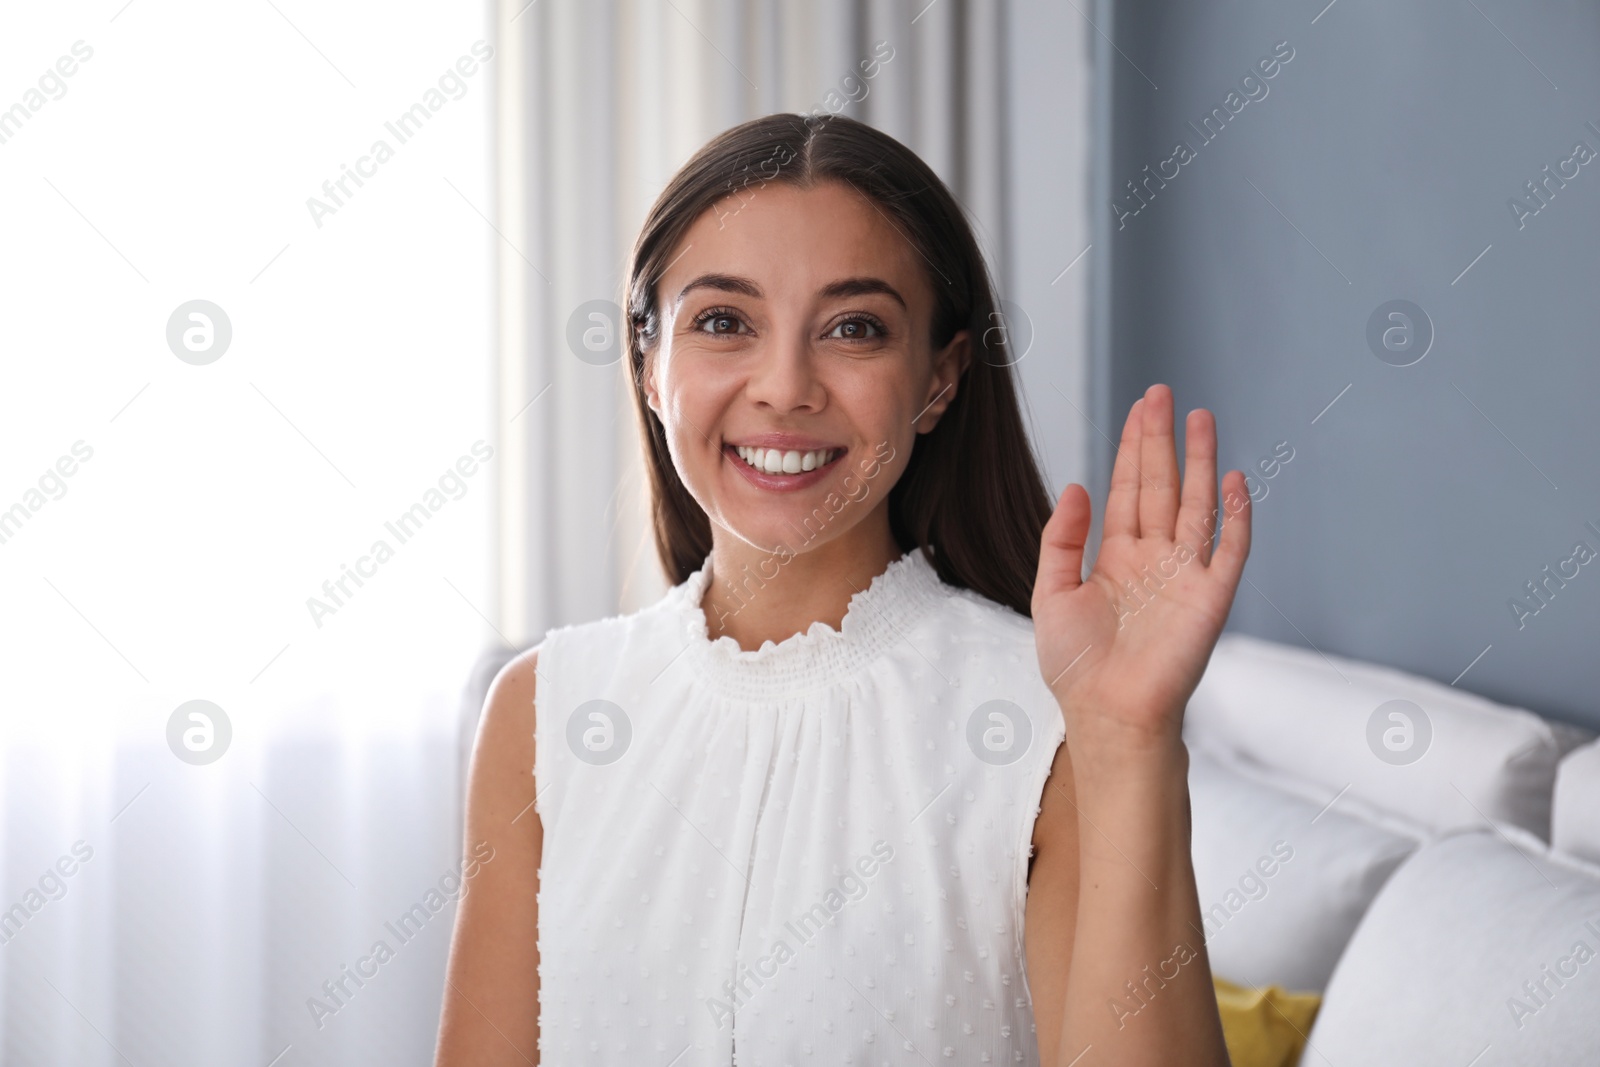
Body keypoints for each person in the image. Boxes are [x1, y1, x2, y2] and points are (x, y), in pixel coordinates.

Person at [434, 111, 1248, 1066]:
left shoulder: (1050, 718)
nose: (784, 386)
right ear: (650, 363)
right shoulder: (543, 710)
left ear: (939, 379)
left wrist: (1128, 742)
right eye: (724, 321)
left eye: (854, 328)